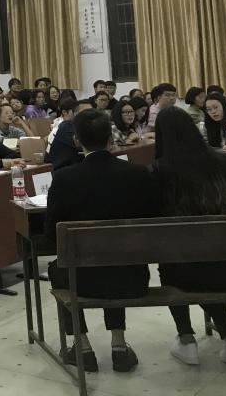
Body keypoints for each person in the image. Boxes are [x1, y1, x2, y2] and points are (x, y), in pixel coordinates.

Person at [45, 109, 161, 373]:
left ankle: (82, 346)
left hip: (80, 278)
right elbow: (152, 220)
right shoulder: (137, 173)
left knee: (59, 267)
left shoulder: (64, 178)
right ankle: (118, 343)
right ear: (110, 139)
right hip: (132, 276)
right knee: (116, 255)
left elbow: (52, 233)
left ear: (77, 140)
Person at [151, 107, 226, 366]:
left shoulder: (162, 169)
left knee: (173, 265)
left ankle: (186, 338)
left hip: (183, 262)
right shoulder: (225, 162)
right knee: (201, 267)